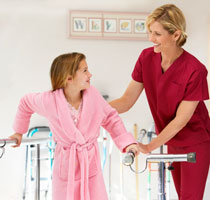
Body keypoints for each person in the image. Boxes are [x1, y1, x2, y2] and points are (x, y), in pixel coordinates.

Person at [109, 4, 210, 200]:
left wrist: (149, 146)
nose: (150, 39)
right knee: (181, 195)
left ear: (175, 35)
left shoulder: (195, 69)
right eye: (149, 32)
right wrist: (92, 109)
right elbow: (126, 100)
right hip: (171, 139)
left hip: (195, 141)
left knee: (190, 198)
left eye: (157, 33)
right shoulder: (146, 58)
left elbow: (181, 120)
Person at [9, 52, 139, 200]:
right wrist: (19, 132)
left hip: (89, 162)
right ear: (69, 78)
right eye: (85, 71)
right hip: (66, 163)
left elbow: (110, 117)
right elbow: (26, 102)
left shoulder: (93, 96)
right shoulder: (49, 101)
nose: (90, 74)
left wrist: (127, 144)